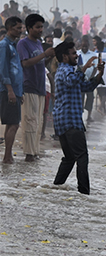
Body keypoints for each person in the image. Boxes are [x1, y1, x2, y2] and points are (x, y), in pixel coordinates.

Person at [51, 41, 105, 194]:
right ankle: (84, 192)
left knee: (69, 158)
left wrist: (99, 74)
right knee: (82, 156)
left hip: (63, 122)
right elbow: (71, 81)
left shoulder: (69, 71)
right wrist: (85, 67)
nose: (77, 55)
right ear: (65, 56)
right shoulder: (64, 70)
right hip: (70, 121)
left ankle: (56, 187)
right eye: (74, 53)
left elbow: (85, 87)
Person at [16, 14, 56, 161]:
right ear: (29, 28)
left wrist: (48, 58)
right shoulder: (23, 43)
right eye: (38, 27)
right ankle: (28, 153)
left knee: (38, 122)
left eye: (41, 27)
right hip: (29, 86)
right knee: (29, 121)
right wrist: (44, 54)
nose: (41, 30)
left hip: (40, 87)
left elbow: (40, 64)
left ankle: (35, 151)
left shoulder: (38, 43)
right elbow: (25, 63)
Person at [1, 17, 25, 163]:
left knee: (12, 123)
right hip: (7, 89)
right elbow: (3, 69)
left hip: (15, 89)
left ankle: (8, 155)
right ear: (10, 28)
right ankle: (7, 155)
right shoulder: (4, 45)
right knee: (14, 123)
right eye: (17, 28)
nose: (20, 30)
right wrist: (10, 90)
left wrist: (19, 92)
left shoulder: (14, 45)